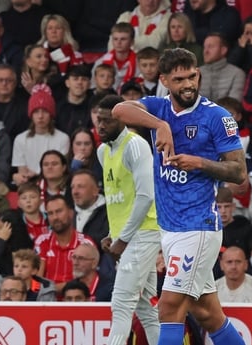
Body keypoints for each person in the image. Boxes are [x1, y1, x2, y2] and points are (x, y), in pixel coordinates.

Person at [111, 48, 247, 345]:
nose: (188, 84)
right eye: (179, 79)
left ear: (198, 73)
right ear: (164, 81)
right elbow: (118, 110)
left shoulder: (216, 117)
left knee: (169, 306)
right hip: (170, 229)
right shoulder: (158, 109)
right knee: (208, 313)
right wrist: (160, 125)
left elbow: (239, 173)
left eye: (192, 76)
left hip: (198, 226)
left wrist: (199, 163)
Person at [95, 94, 160, 345]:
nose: (101, 126)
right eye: (98, 120)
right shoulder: (103, 151)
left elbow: (146, 196)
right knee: (147, 309)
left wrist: (122, 238)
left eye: (107, 121)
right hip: (130, 236)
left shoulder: (136, 145)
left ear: (121, 119)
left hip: (144, 233)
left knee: (121, 304)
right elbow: (118, 198)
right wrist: (114, 234)